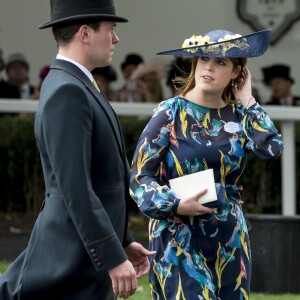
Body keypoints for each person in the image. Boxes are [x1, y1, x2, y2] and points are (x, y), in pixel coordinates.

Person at [0, 0, 155, 299]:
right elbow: (76, 188)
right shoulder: (67, 90)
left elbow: (101, 178)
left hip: (81, 257)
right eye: (110, 30)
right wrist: (111, 255)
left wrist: (121, 240)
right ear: (85, 33)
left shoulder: (73, 82)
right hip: (68, 262)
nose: (116, 39)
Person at [129, 29, 283, 299]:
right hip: (178, 235)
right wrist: (174, 203)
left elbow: (271, 148)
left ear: (237, 72)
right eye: (203, 59)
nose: (209, 67)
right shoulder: (170, 112)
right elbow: (139, 179)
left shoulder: (240, 114)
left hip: (229, 237)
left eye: (221, 62)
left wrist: (247, 100)